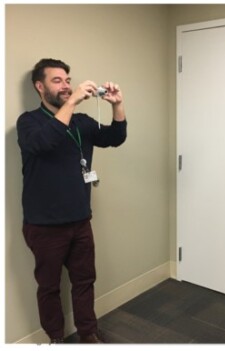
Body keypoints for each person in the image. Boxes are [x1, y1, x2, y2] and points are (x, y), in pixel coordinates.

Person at [16, 58, 127, 343]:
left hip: (80, 220)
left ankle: (88, 335)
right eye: (57, 81)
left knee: (84, 282)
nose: (66, 86)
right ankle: (56, 338)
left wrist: (117, 104)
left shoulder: (81, 122)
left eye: (67, 80)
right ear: (39, 87)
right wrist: (73, 101)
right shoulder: (29, 122)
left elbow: (115, 137)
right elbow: (44, 143)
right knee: (49, 287)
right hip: (44, 226)